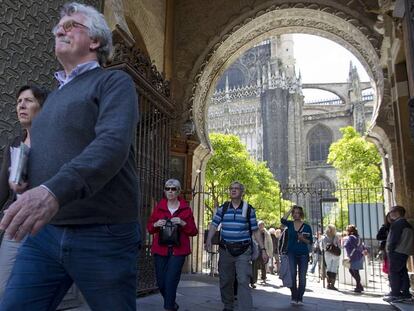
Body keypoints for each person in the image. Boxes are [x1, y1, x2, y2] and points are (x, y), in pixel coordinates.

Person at [0, 2, 140, 310]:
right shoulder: (52, 98)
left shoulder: (114, 82)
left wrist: (50, 192)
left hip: (103, 232)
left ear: (95, 41)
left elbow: (112, 145)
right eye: (59, 26)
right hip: (45, 234)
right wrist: (28, 179)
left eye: (72, 25)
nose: (60, 29)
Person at [0, 85, 48, 299]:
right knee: (4, 287)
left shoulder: (53, 142)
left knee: (38, 290)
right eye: (19, 101)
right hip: (17, 223)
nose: (21, 105)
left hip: (44, 225)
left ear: (42, 107)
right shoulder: (15, 143)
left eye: (28, 101)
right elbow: (3, 185)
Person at [205, 181, 268, 311]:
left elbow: (255, 230)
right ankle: (228, 305)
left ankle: (245, 308)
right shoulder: (223, 208)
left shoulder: (248, 209)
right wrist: (208, 240)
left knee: (243, 280)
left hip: (243, 250)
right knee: (225, 280)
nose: (233, 190)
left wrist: (263, 249)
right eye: (231, 188)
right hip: (226, 250)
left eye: (236, 188)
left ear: (242, 192)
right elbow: (214, 224)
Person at [147, 179, 198, 311]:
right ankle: (172, 303)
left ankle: (169, 307)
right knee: (161, 282)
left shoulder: (186, 209)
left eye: (173, 189)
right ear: (164, 191)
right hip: (160, 249)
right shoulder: (159, 207)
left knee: (171, 280)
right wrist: (155, 224)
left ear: (178, 191)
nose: (170, 191)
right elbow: (149, 228)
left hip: (178, 251)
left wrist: (182, 222)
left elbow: (193, 231)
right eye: (167, 188)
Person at [281, 205, 313, 306]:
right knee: (292, 275)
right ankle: (294, 296)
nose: (296, 214)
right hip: (291, 253)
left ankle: (300, 297)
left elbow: (310, 241)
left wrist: (303, 239)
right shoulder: (289, 224)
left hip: (303, 254)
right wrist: (290, 209)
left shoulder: (307, 226)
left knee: (302, 277)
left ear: (301, 214)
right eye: (294, 213)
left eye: (298, 212)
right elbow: (282, 220)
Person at [383, 205, 413, 302]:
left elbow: (393, 239)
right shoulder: (406, 224)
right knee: (403, 271)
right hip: (404, 251)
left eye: (391, 211)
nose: (390, 213)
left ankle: (395, 293)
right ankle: (405, 293)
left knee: (394, 272)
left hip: (397, 251)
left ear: (396, 212)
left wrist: (390, 250)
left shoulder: (397, 224)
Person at [344, 225, 365, 293]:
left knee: (354, 271)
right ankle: (359, 285)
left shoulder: (351, 237)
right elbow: (362, 246)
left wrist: (349, 255)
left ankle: (358, 286)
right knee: (355, 271)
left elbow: (347, 245)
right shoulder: (358, 237)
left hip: (353, 256)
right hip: (359, 255)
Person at [251, 220, 273, 286]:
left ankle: (263, 278)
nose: (261, 226)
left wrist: (269, 253)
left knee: (264, 265)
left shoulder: (267, 233)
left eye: (262, 225)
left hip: (264, 251)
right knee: (254, 266)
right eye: (260, 225)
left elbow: (270, 243)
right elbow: (253, 240)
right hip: (256, 250)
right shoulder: (255, 232)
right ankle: (253, 281)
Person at [321, 224, 341, 290]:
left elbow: (323, 247)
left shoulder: (324, 238)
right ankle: (332, 284)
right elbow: (339, 246)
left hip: (328, 254)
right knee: (334, 269)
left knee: (329, 269)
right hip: (335, 255)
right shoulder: (336, 237)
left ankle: (328, 284)